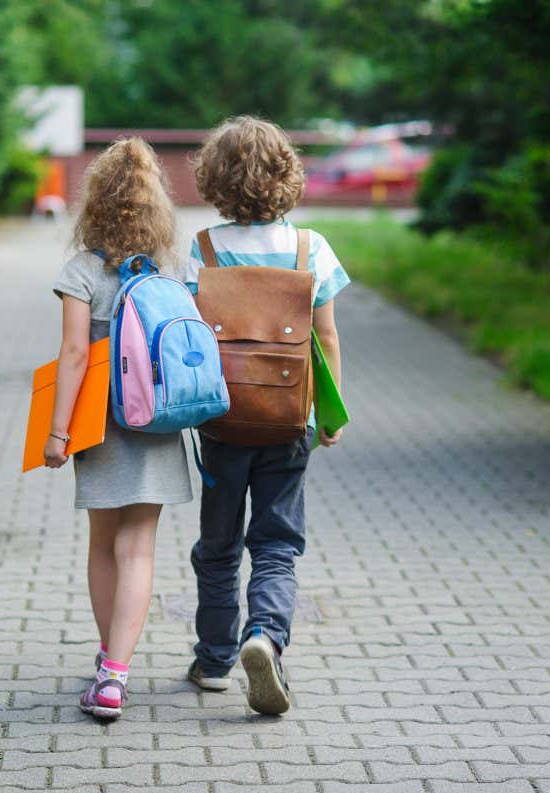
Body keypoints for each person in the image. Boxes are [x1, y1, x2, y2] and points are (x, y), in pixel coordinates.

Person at [182, 116, 349, 715]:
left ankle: (215, 660)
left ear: (214, 178)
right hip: (288, 420)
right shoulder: (311, 248)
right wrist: (329, 413)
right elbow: (325, 339)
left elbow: (187, 339)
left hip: (223, 420)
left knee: (218, 544)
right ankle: (266, 636)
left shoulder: (200, 249)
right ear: (287, 176)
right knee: (277, 541)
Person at [43, 138, 193, 721]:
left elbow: (75, 355)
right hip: (158, 419)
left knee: (103, 543)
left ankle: (109, 665)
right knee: (140, 547)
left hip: (101, 424)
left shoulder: (81, 270)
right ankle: (116, 673)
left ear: (94, 203)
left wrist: (58, 433)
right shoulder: (172, 268)